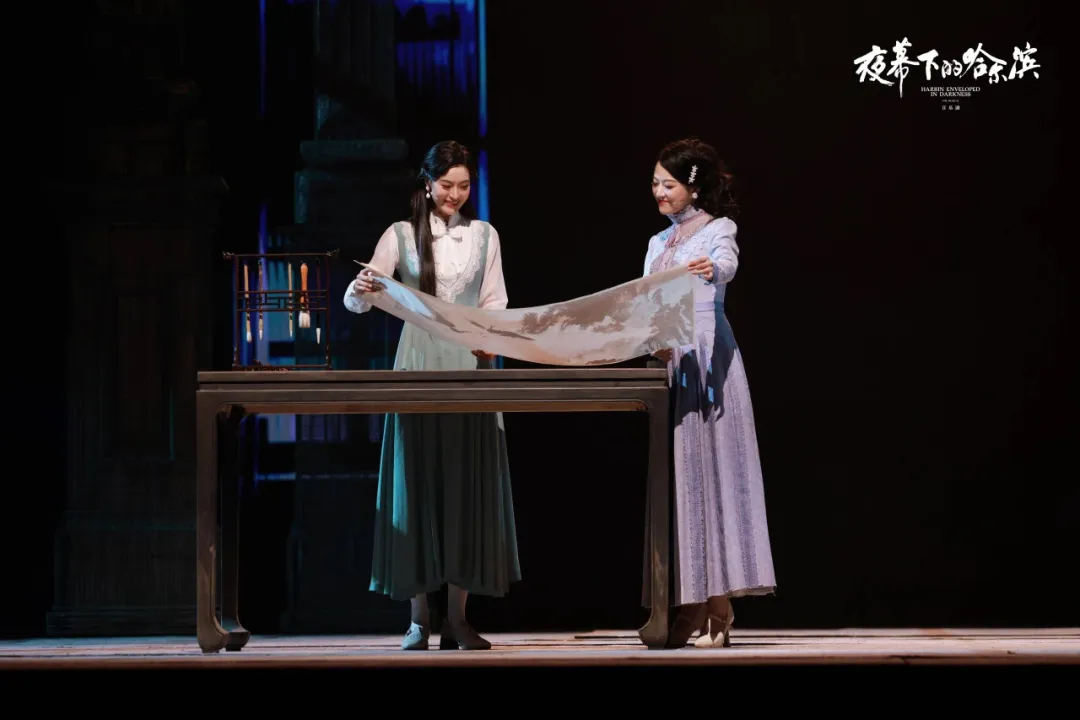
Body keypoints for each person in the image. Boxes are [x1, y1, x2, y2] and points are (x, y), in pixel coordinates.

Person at [343, 140, 520, 651]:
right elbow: (360, 297)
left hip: (468, 360)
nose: (454, 195)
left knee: (466, 483)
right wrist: (362, 289)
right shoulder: (401, 235)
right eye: (446, 185)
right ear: (427, 183)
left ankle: (458, 619)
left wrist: (490, 340)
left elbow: (495, 301)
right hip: (418, 360)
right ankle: (419, 618)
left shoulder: (484, 235)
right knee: (416, 481)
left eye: (463, 186)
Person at [642, 137, 776, 648]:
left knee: (716, 474)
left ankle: (717, 606)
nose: (660, 192)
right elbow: (647, 298)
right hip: (673, 359)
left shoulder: (719, 229)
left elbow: (727, 264)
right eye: (655, 183)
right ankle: (692, 603)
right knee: (684, 480)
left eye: (669, 184)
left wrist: (713, 269)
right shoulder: (657, 242)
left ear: (693, 187)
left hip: (709, 356)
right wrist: (649, 340)